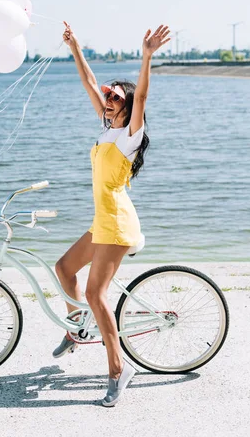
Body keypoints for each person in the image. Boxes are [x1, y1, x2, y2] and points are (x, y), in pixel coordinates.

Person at [53, 21, 171, 407]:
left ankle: (119, 371)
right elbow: (89, 81)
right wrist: (76, 46)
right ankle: (77, 329)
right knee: (64, 269)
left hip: (117, 223)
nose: (109, 100)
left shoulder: (129, 136)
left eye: (115, 98)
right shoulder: (106, 130)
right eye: (109, 97)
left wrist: (147, 56)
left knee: (95, 293)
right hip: (101, 221)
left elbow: (141, 100)